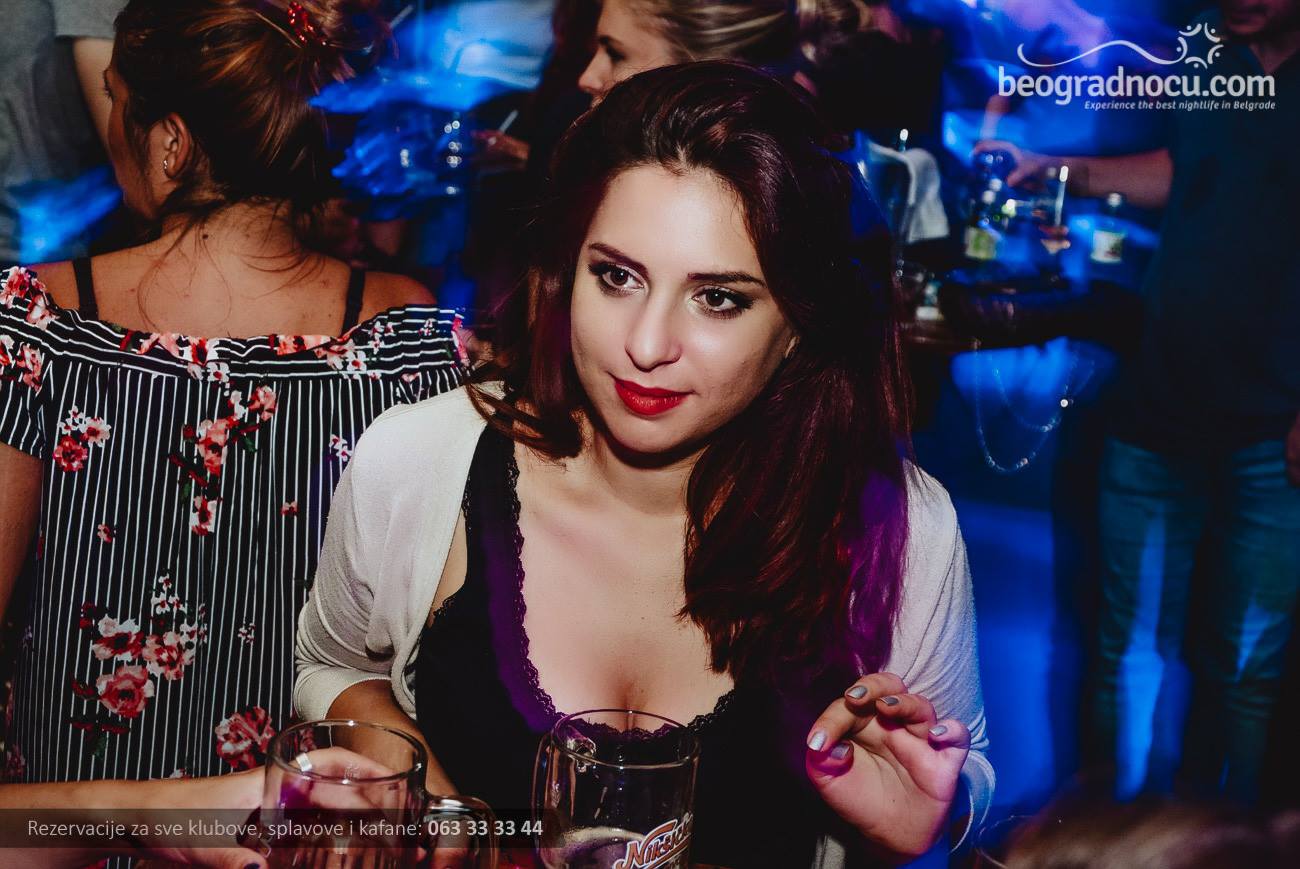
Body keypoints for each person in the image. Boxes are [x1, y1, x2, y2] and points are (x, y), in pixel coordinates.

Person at [296, 61, 993, 866]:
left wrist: (931, 825)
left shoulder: (901, 529)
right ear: (566, 272)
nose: (647, 344)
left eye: (718, 297)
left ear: (799, 323)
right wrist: (427, 789)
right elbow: (330, 662)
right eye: (617, 276)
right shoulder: (417, 461)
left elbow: (960, 770)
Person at [0, 0, 464, 789]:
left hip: (77, 823)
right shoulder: (406, 337)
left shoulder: (38, 328)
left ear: (172, 143)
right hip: (309, 819)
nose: (109, 125)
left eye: (116, 100)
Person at [979, 0, 1300, 801]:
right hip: (1157, 407)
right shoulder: (1208, 56)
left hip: (1274, 430)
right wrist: (1057, 168)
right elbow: (1187, 169)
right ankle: (1107, 836)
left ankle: (1227, 841)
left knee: (1245, 668)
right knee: (1122, 650)